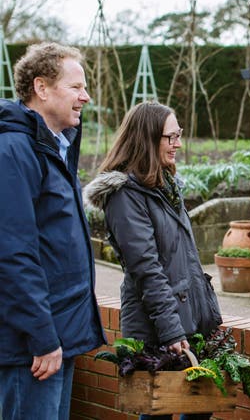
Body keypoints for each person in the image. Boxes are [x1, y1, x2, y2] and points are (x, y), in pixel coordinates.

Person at [83, 102, 223, 420]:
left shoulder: (166, 187)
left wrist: (207, 316)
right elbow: (147, 270)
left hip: (187, 319)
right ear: (148, 139)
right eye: (171, 136)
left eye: (179, 135)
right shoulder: (125, 196)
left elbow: (183, 260)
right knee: (159, 410)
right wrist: (173, 332)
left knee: (199, 407)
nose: (179, 143)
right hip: (157, 327)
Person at [0, 43, 106, 419]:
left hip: (57, 340)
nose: (86, 96)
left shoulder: (55, 147)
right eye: (76, 87)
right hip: (32, 347)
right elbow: (13, 254)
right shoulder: (14, 151)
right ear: (41, 88)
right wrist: (43, 337)